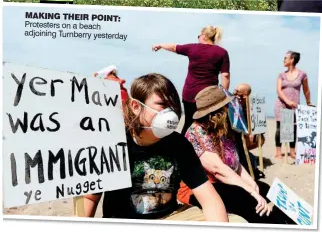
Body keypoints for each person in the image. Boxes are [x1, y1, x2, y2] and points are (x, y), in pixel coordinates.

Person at [81, 73, 228, 222]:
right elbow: (90, 198)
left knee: (237, 223)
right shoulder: (113, 143)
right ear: (136, 106)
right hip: (122, 221)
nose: (170, 113)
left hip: (170, 217)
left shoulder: (179, 144)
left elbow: (209, 199)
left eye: (173, 106)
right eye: (162, 105)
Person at [177, 85, 296, 224]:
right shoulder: (196, 132)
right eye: (228, 106)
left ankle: (294, 221)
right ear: (219, 111)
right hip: (200, 188)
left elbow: (235, 164)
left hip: (225, 182)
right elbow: (218, 170)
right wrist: (251, 192)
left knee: (266, 189)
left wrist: (252, 185)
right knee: (247, 199)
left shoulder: (224, 130)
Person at [152, 25, 230, 136]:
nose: (198, 38)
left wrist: (160, 45)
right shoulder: (222, 52)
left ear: (204, 36)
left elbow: (174, 47)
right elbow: (225, 75)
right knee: (208, 124)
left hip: (190, 94)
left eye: (198, 35)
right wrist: (223, 96)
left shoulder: (193, 48)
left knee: (188, 122)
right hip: (210, 96)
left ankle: (185, 148)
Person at [274, 51, 313, 159]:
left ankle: (292, 152)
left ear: (292, 60)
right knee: (280, 128)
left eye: (285, 58)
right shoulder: (281, 75)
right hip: (281, 104)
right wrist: (287, 101)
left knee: (293, 128)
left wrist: (308, 102)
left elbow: (306, 90)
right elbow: (279, 90)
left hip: (294, 105)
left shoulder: (302, 74)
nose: (284, 60)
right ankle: (278, 152)